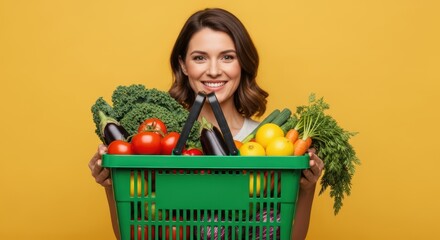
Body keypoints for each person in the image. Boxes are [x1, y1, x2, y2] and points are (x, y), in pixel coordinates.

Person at [89, 8, 324, 240]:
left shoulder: (269, 142)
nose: (213, 71)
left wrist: (306, 188)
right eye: (200, 58)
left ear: (242, 63)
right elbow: (130, 233)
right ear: (183, 64)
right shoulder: (163, 141)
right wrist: (111, 182)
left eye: (227, 57)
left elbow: (291, 236)